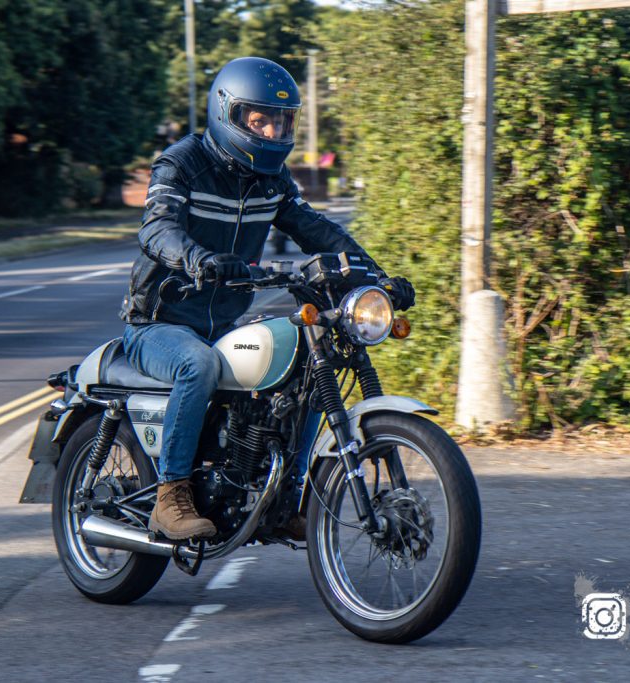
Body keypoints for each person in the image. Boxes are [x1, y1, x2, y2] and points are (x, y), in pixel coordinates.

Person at [119, 56, 415, 541]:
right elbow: (157, 229)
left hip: (227, 323)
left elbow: (318, 231)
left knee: (305, 360)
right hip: (158, 321)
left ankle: (286, 495)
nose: (273, 130)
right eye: (261, 119)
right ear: (227, 114)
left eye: (282, 120)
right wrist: (198, 259)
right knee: (198, 365)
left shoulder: (273, 182)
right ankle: (170, 496)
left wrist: (377, 280)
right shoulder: (183, 163)